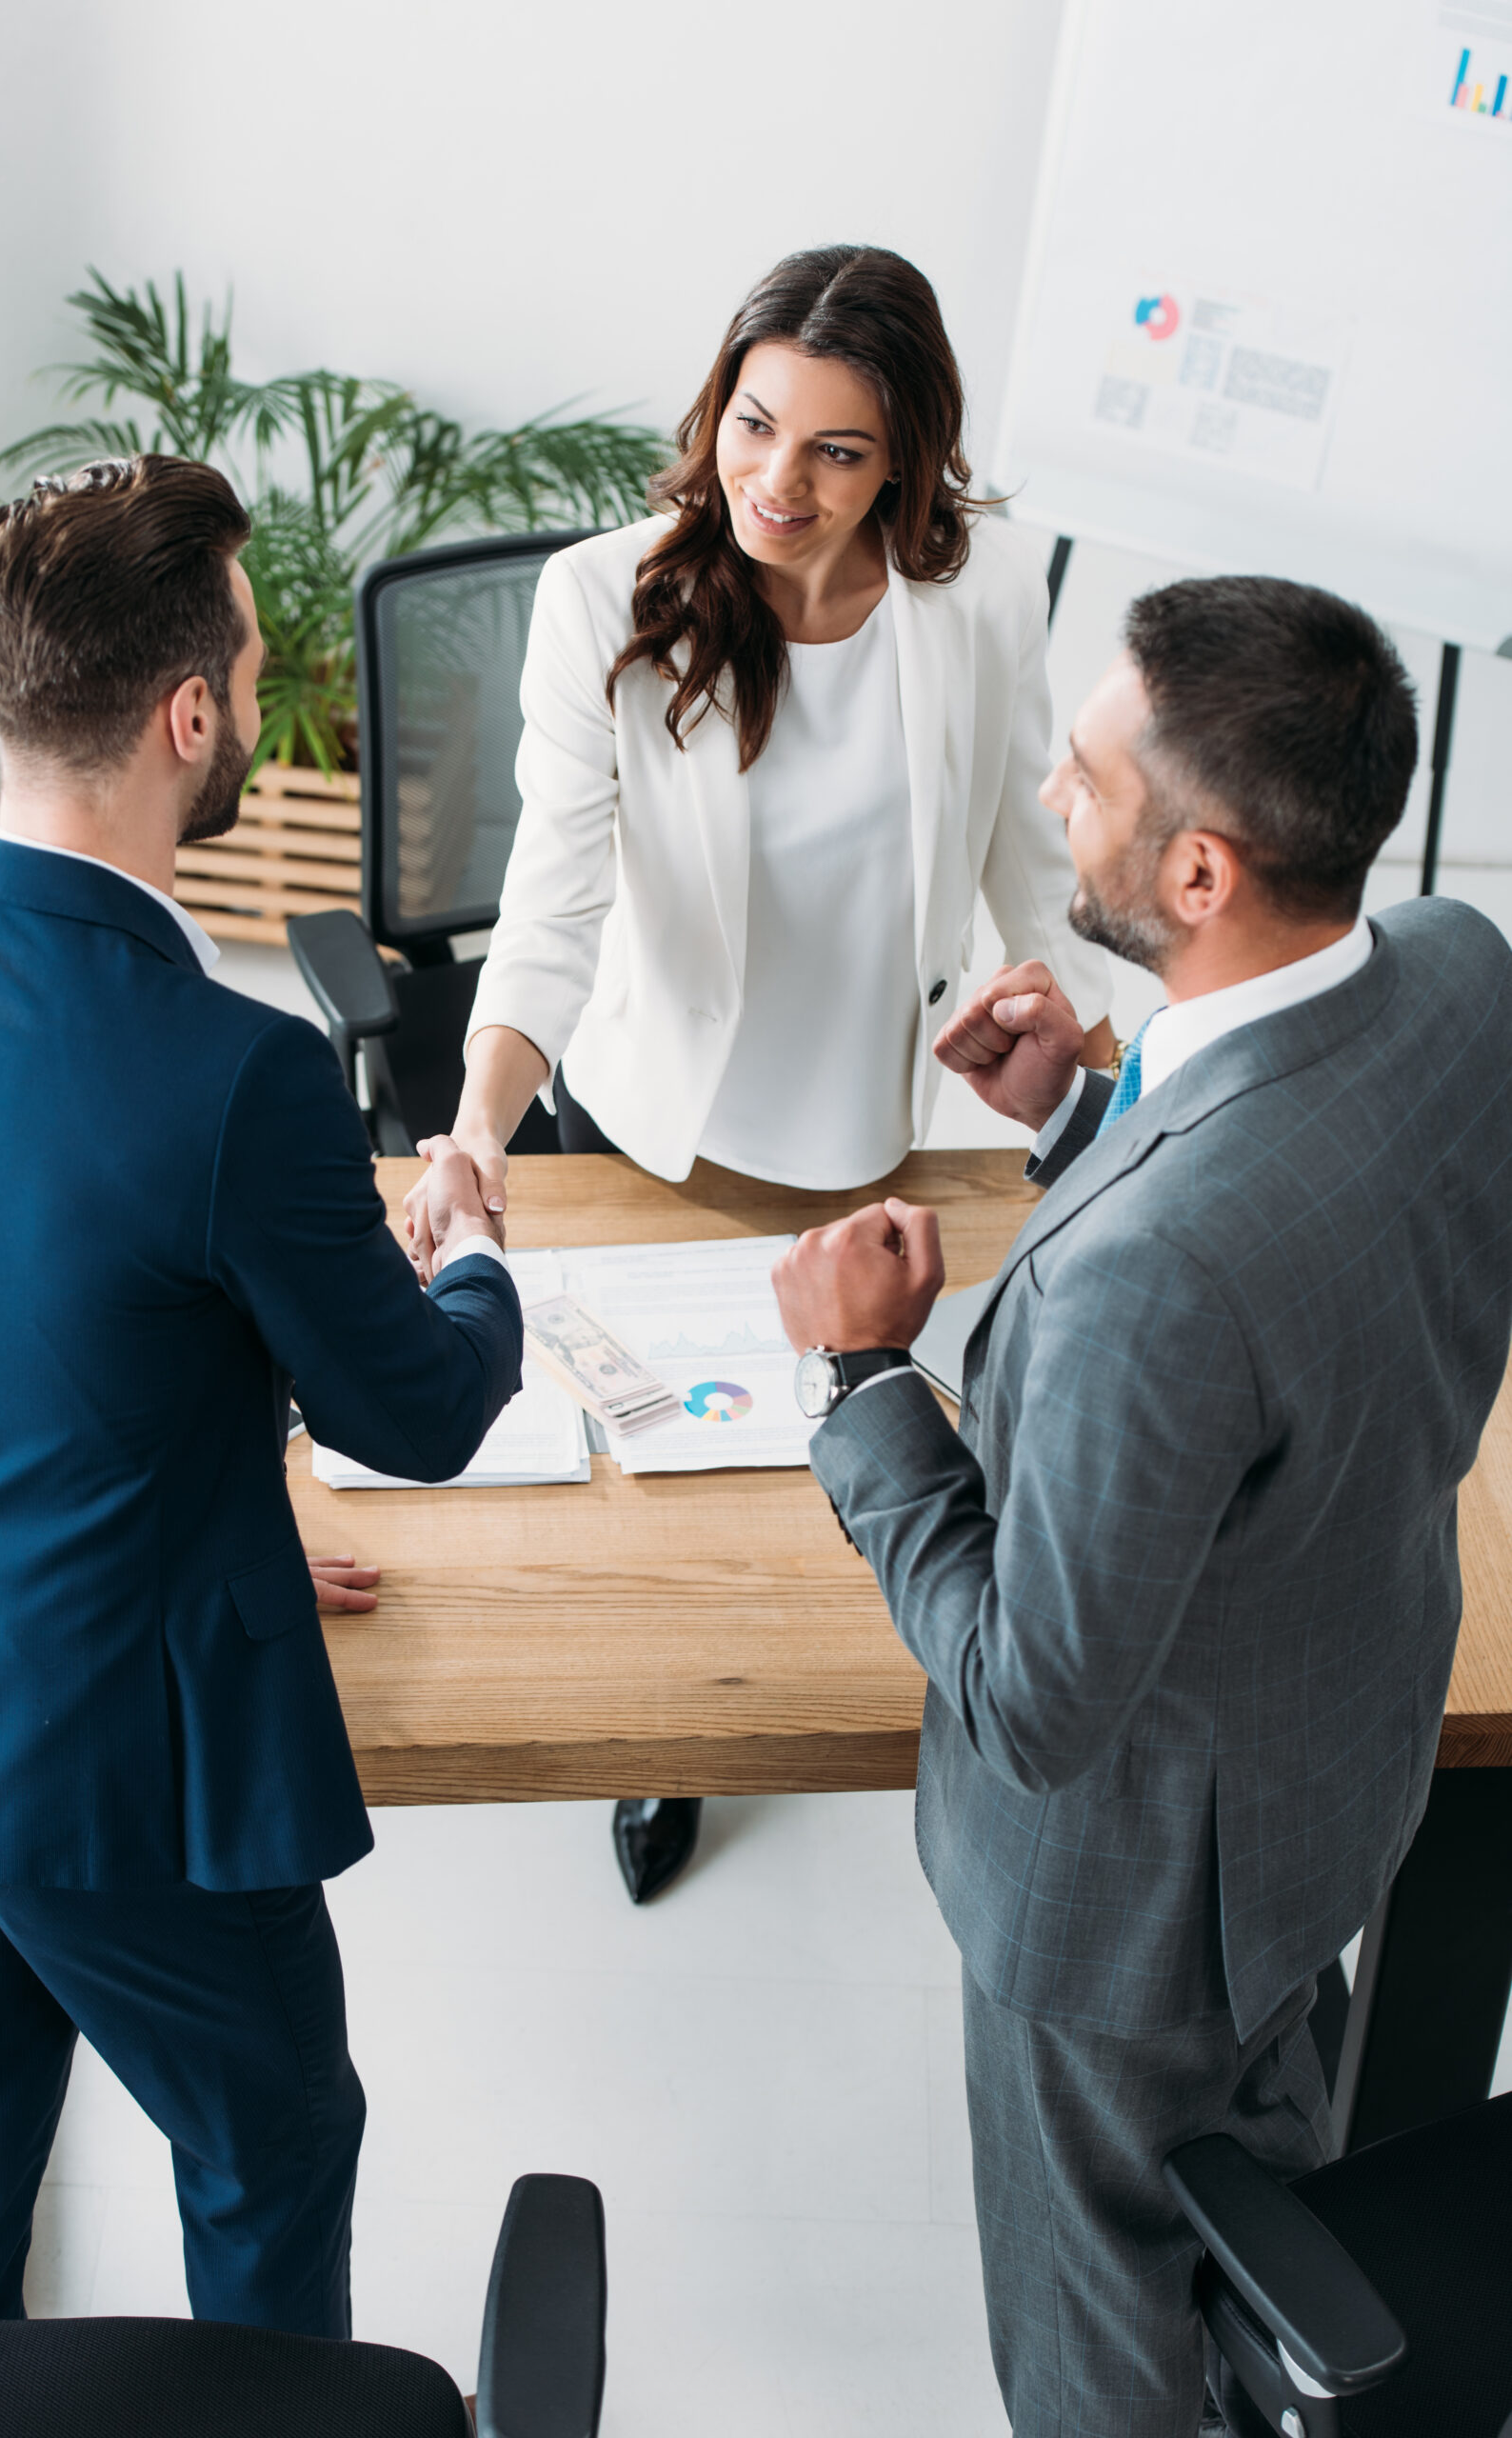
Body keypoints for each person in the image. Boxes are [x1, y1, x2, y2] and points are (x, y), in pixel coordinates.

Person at [769, 574, 1512, 2436]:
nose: (1052, 804)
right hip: (1331, 1767)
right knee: (1265, 2171)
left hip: (1125, 1902)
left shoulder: (1155, 1279)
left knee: (1105, 2329)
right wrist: (1085, 1103)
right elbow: (1318, 1235)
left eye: (1089, 780)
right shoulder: (1454, 967)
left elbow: (1030, 1694)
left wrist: (864, 1380)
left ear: (1201, 873)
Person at [0, 456, 522, 2333]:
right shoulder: (239, 1077)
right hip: (122, 1775)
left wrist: (210, 1512)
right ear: (189, 719)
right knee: (270, 2138)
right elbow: (414, 1412)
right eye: (248, 666)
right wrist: (476, 1249)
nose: (258, 695)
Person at [415, 244, 1113, 1903]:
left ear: (911, 464)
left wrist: (1106, 1072)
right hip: (655, 1123)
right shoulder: (610, 597)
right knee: (657, 1482)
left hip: (869, 1117)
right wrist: (471, 1133)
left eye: (835, 451)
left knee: (841, 1428)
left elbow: (1032, 856)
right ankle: (672, 1752)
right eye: (752, 425)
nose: (775, 484)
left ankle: (852, 1695)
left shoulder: (980, 597)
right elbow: (555, 904)